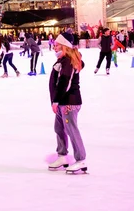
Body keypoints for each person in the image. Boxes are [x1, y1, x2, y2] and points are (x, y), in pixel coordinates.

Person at [47, 32, 87, 174]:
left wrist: (56, 100)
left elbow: (65, 82)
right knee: (59, 129)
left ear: (64, 46)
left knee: (71, 130)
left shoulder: (68, 61)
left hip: (69, 102)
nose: (54, 47)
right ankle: (62, 156)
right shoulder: (62, 60)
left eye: (57, 45)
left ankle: (80, 159)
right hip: (62, 103)